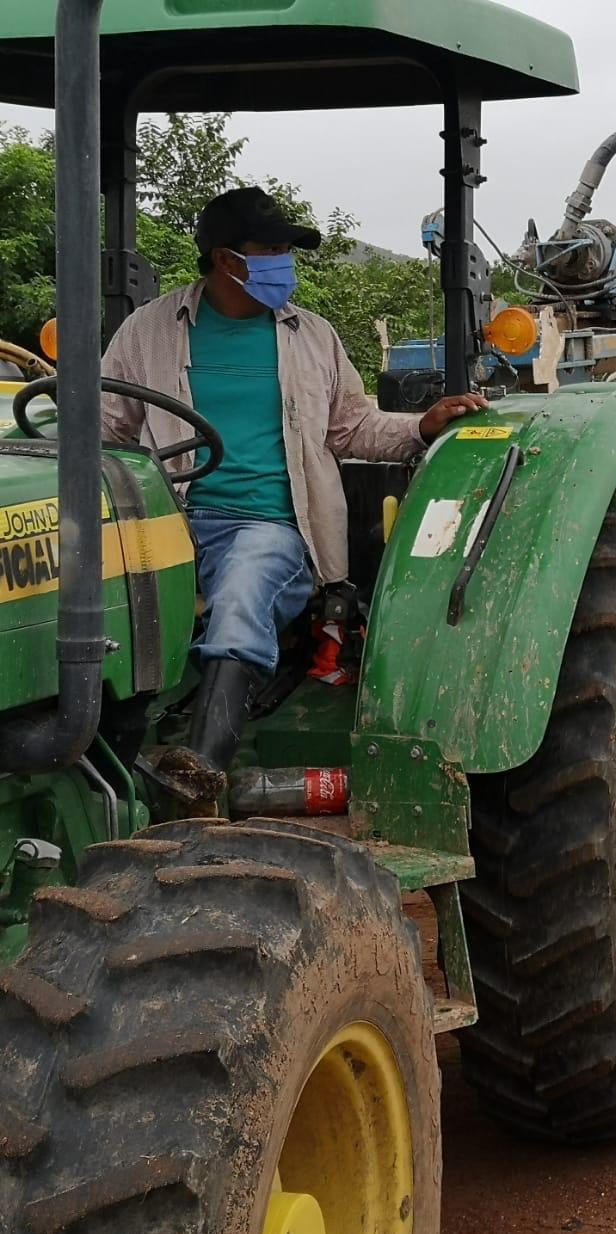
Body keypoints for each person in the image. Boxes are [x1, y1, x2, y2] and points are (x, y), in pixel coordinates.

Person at [102, 186, 487, 802]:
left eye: (287, 250)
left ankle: (197, 773)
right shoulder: (147, 332)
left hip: (269, 528)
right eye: (272, 250)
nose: (284, 263)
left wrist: (421, 425)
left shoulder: (313, 337)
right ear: (227, 259)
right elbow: (106, 428)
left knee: (242, 591)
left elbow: (351, 426)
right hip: (167, 520)